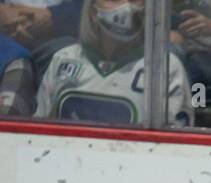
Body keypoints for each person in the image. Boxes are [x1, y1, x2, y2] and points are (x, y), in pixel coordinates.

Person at [33, 0, 193, 126]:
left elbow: (174, 148)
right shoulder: (64, 59)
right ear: (93, 10)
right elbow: (37, 133)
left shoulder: (166, 67)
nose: (125, 6)